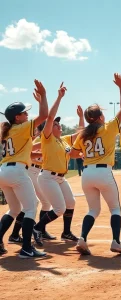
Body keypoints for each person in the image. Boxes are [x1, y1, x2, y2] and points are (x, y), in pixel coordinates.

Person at [71, 73, 121, 255]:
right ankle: (116, 242)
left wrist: (87, 154)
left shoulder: (82, 134)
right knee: (115, 208)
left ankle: (82, 238)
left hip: (87, 174)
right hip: (104, 172)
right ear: (100, 117)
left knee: (93, 209)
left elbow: (73, 154)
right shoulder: (108, 127)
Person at [32, 82, 84, 247]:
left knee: (71, 203)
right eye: (56, 124)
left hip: (61, 178)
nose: (58, 125)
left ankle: (66, 232)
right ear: (48, 128)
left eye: (58, 123)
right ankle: (37, 228)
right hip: (47, 178)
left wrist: (81, 117)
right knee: (59, 208)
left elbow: (81, 133)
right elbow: (49, 117)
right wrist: (59, 97)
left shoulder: (63, 140)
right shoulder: (46, 139)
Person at [0, 80, 48, 258]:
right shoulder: (19, 128)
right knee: (31, 207)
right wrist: (43, 96)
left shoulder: (8, 130)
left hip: (4, 171)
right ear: (17, 118)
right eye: (24, 113)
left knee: (14, 209)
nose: (27, 115)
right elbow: (44, 115)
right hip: (17, 172)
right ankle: (27, 248)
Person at [8, 119, 56, 244]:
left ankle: (32, 232)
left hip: (35, 172)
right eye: (51, 125)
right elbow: (28, 155)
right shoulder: (40, 139)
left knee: (39, 204)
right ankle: (26, 232)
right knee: (36, 203)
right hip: (30, 171)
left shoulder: (46, 139)